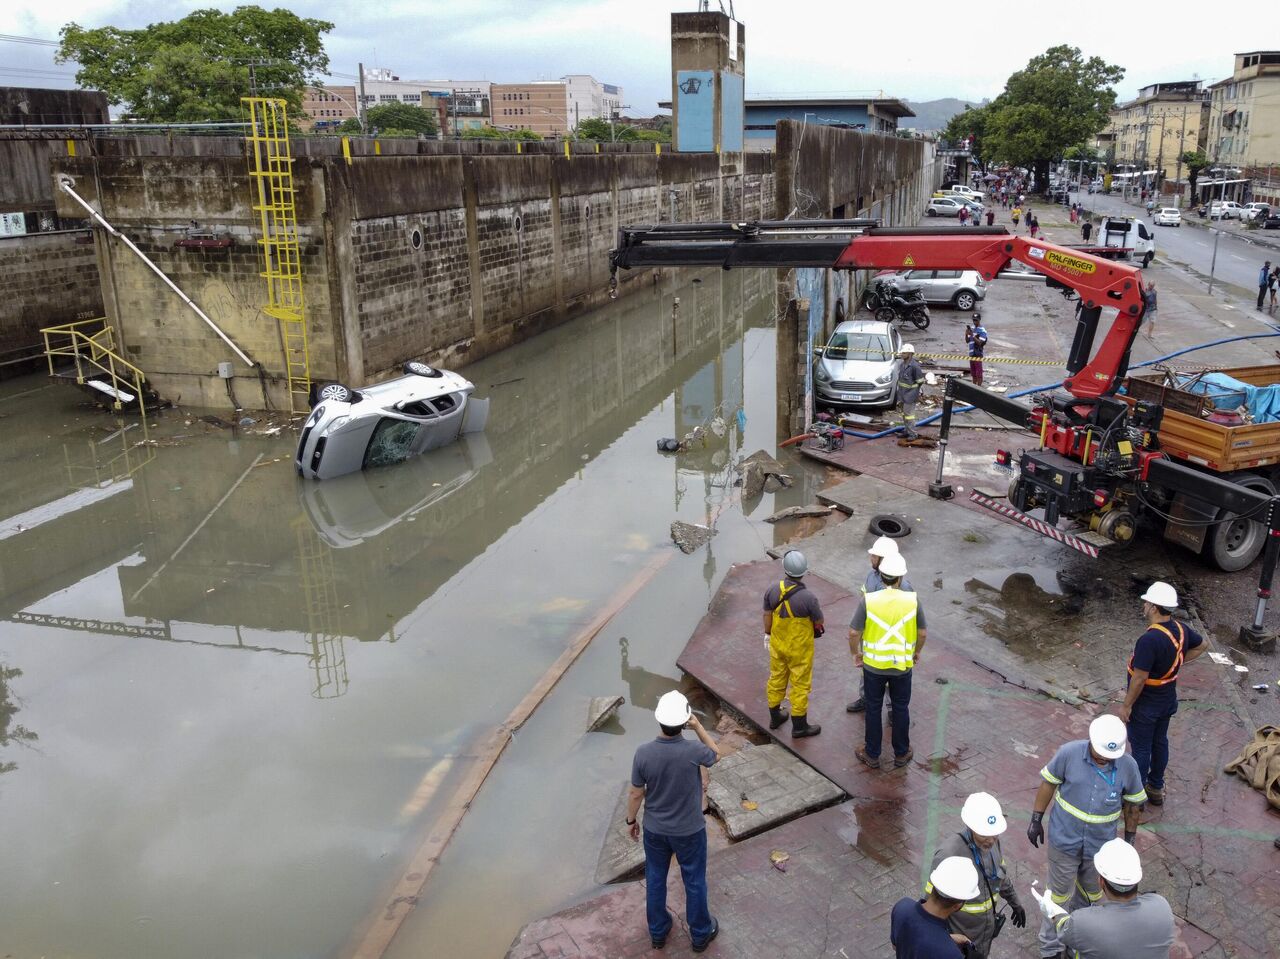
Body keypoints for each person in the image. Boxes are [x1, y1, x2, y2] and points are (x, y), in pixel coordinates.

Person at [1027, 715, 1147, 959]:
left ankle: (1076, 944)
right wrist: (1036, 819)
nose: (1103, 758)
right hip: (1064, 841)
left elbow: (1133, 806)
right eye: (1100, 752)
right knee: (1057, 898)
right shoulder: (1068, 754)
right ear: (1090, 740)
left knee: (1090, 899)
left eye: (1109, 755)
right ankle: (1051, 949)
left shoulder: (1128, 766)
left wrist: (1129, 842)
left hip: (1100, 850)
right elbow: (1048, 783)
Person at [627, 690, 721, 952]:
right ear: (684, 720)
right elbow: (716, 753)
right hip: (689, 831)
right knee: (694, 880)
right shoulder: (693, 750)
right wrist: (699, 726)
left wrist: (630, 821)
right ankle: (701, 933)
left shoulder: (643, 753)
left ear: (659, 720)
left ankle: (658, 932)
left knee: (655, 878)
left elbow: (636, 793)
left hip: (655, 830)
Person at [1116, 582, 1208, 806]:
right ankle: (1156, 787)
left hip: (1146, 704)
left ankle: (1134, 795)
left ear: (1155, 607)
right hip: (1167, 699)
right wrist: (1176, 663)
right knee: (1160, 742)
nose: (1144, 605)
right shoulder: (1181, 629)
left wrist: (1127, 705)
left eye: (1147, 602)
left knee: (1141, 748)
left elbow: (1139, 679)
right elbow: (1203, 645)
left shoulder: (1149, 640)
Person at [1037, 839, 1175, 959]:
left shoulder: (1084, 923)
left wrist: (1051, 911)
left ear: (1101, 882)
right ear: (1137, 879)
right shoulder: (1162, 907)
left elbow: (1064, 928)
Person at [927, 793, 1027, 958]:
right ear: (970, 826)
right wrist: (945, 940)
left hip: (983, 939)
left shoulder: (994, 843)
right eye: (984, 835)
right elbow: (931, 905)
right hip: (958, 944)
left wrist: (1015, 902)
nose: (990, 840)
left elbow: (1000, 876)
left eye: (994, 834)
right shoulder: (948, 854)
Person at [850, 552, 925, 770]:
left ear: (881, 575)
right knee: (901, 707)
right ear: (901, 577)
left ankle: (872, 754)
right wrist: (917, 652)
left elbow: (854, 632)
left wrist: (855, 653)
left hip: (873, 666)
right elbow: (922, 634)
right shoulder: (912, 600)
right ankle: (901, 753)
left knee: (873, 708)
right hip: (902, 666)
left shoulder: (869, 600)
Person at [762, 549, 825, 738]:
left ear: (785, 568)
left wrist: (767, 634)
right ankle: (799, 726)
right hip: (800, 649)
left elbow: (767, 615)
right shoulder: (809, 598)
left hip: (778, 644)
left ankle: (775, 717)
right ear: (804, 571)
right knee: (800, 684)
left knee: (777, 677)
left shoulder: (772, 590)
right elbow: (819, 622)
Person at [847, 536, 913, 713]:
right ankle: (865, 699)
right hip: (872, 636)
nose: (871, 558)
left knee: (892, 672)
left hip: (893, 639)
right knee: (866, 671)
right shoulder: (871, 576)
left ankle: (892, 708)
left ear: (884, 559)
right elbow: (863, 597)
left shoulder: (905, 587)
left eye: (874, 556)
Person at [892, 857, 981, 958]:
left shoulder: (902, 907)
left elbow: (897, 946)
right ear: (958, 905)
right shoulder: (950, 954)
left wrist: (947, 939)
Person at [895, 344, 926, 440]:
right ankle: (907, 430)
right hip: (902, 394)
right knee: (904, 414)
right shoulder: (903, 364)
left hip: (910, 396)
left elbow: (920, 381)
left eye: (904, 353)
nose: (902, 355)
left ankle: (913, 434)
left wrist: (914, 392)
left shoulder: (914, 367)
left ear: (910, 354)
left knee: (909, 415)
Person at [965, 312, 988, 386]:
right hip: (971, 354)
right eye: (974, 320)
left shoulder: (982, 331)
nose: (975, 322)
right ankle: (974, 386)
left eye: (976, 320)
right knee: (973, 373)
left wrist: (973, 336)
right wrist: (966, 334)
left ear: (979, 320)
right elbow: (967, 341)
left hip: (978, 354)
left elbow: (980, 343)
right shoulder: (972, 328)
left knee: (979, 373)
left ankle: (979, 387)